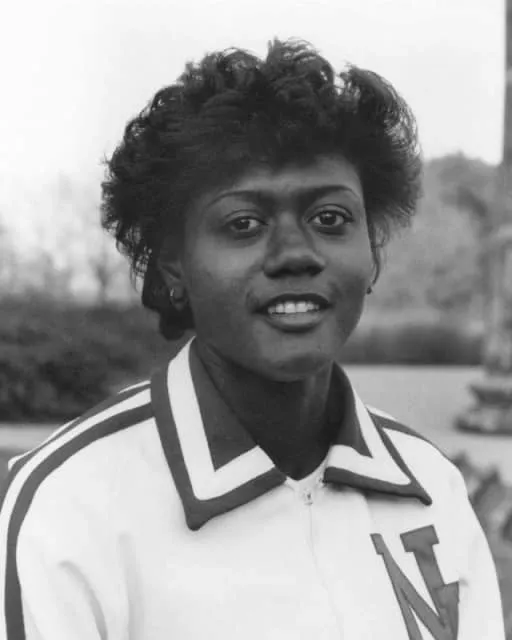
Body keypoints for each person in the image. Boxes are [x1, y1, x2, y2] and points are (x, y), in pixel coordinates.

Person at [0, 39, 504, 640]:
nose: (295, 254)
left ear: (371, 250)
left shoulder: (432, 485)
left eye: (330, 218)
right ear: (173, 264)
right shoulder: (71, 507)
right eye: (243, 223)